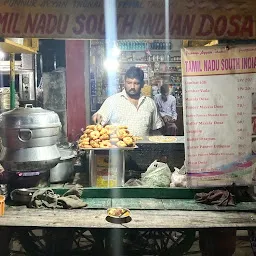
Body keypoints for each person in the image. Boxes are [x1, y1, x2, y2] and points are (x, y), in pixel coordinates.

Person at [92, 66, 163, 136]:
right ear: (124, 83)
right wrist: (96, 117)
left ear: (142, 84)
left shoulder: (149, 103)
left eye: (136, 83)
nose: (132, 87)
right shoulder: (112, 101)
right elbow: (98, 120)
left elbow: (156, 129)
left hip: (144, 146)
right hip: (119, 146)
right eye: (129, 83)